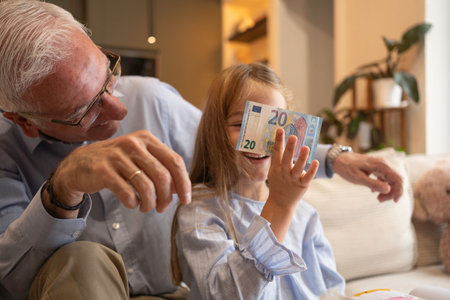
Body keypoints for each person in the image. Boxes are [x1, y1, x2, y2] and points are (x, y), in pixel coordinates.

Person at [0, 1, 402, 299]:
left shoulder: (152, 100)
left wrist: (334, 157)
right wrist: (63, 187)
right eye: (87, 109)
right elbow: (10, 276)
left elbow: (243, 144)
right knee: (81, 257)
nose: (120, 107)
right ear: (24, 121)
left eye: (109, 75)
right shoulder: (6, 155)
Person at [171, 63, 347, 299]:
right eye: (240, 124)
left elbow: (331, 289)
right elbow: (227, 294)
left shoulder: (306, 215)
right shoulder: (200, 210)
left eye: (276, 127)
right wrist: (280, 205)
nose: (263, 139)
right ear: (215, 131)